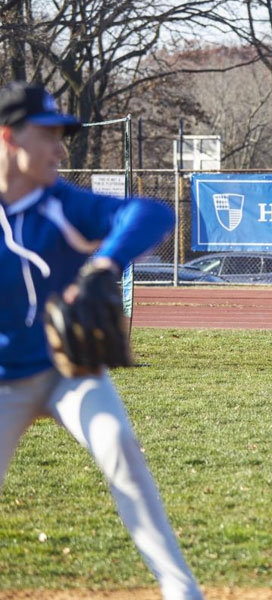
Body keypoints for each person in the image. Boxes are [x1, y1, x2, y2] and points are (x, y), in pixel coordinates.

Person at [0, 82, 204, 600]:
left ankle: (181, 590)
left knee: (118, 444)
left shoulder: (61, 204)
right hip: (4, 383)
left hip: (68, 372)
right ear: (8, 136)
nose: (60, 148)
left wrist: (104, 263)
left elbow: (152, 214)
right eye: (47, 135)